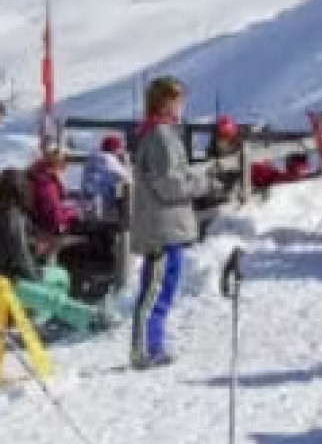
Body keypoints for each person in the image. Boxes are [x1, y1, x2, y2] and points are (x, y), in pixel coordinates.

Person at [129, 75, 213, 369]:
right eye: (179, 101)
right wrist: (204, 182)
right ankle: (144, 349)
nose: (182, 106)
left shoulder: (161, 134)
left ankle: (155, 345)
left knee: (163, 287)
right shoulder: (161, 137)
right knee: (155, 288)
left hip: (169, 225)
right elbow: (169, 184)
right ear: (166, 103)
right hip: (161, 228)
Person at [0, 169, 108, 335]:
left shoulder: (14, 214)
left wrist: (35, 247)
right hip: (9, 281)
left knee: (60, 276)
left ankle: (46, 321)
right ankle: (90, 318)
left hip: (10, 275)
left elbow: (20, 245)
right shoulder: (11, 216)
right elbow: (19, 256)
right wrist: (36, 275)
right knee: (50, 293)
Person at [81, 135, 132, 220]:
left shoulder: (93, 157)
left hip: (87, 198)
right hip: (101, 200)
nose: (120, 151)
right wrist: (126, 162)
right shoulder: (108, 159)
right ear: (114, 148)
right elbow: (127, 178)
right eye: (119, 148)